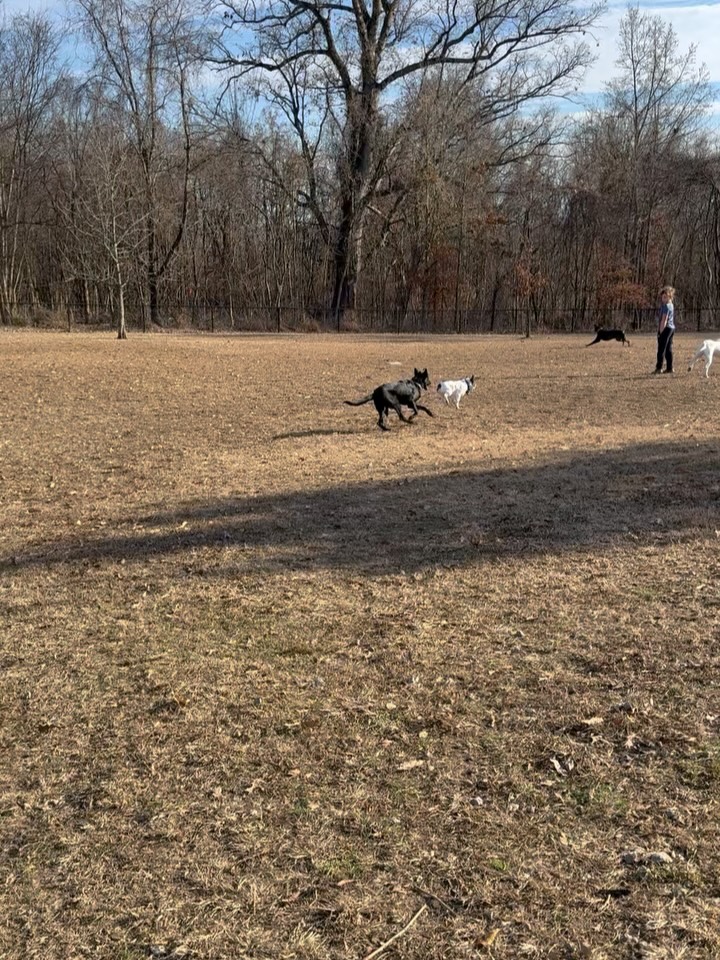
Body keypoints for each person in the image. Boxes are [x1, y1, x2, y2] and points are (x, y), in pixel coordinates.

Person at [654, 286, 675, 374]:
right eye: (662, 297)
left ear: (670, 297)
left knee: (661, 349)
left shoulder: (666, 306)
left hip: (666, 328)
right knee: (668, 349)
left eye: (665, 297)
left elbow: (664, 320)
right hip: (672, 328)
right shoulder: (671, 305)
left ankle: (659, 368)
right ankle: (670, 368)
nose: (663, 299)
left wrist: (660, 332)